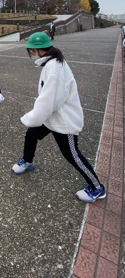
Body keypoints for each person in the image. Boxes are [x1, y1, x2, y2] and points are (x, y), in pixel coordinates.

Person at [12, 32, 106, 203]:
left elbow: (48, 102)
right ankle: (27, 160)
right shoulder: (52, 62)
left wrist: (30, 117)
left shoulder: (53, 68)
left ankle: (97, 188)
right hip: (52, 117)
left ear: (40, 49)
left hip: (64, 121)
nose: (32, 53)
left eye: (32, 50)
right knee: (31, 134)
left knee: (72, 155)